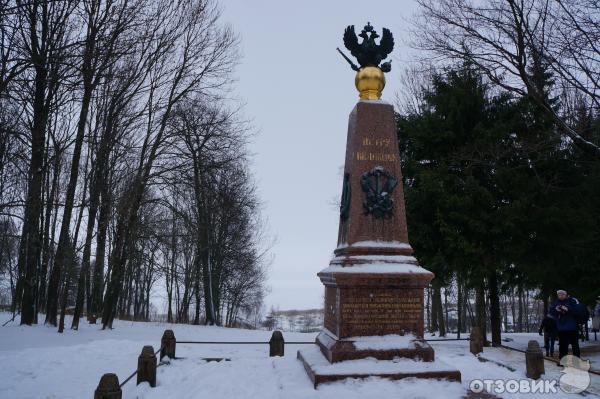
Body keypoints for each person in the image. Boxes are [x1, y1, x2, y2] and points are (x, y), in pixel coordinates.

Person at [550, 289, 581, 360]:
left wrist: (567, 309)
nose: (560, 296)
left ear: (566, 294)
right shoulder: (556, 302)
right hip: (562, 328)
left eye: (562, 294)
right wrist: (556, 309)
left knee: (575, 345)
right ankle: (562, 360)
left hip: (572, 327)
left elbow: (577, 310)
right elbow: (551, 312)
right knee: (563, 346)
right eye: (559, 294)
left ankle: (577, 360)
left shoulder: (571, 300)